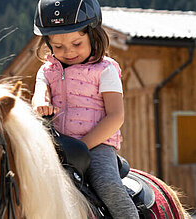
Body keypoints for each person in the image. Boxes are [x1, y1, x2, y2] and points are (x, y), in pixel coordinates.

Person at [31, 0, 139, 218]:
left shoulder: (105, 70)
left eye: (77, 43)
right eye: (58, 47)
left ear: (92, 35)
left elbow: (116, 116)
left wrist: (82, 146)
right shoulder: (47, 70)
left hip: (96, 146)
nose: (68, 52)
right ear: (48, 44)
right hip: (58, 145)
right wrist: (41, 103)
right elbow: (38, 96)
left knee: (107, 185)